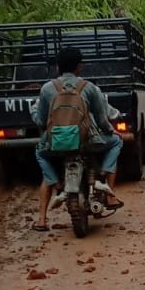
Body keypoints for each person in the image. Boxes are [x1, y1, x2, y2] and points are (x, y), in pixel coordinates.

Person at [32, 44, 123, 230]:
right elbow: (102, 120)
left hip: (55, 145)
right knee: (117, 142)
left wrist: (33, 110)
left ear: (58, 67)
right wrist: (110, 131)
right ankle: (109, 191)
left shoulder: (47, 89)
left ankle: (45, 211)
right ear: (79, 67)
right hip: (88, 142)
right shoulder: (89, 88)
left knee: (40, 154)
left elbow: (40, 121)